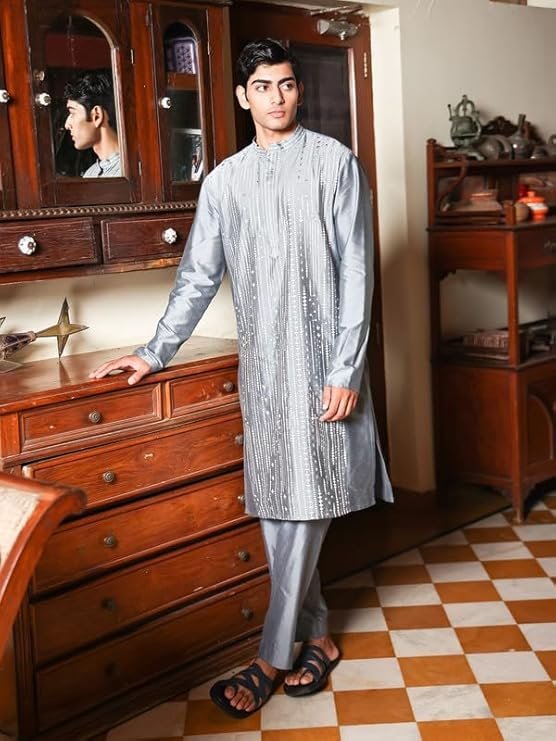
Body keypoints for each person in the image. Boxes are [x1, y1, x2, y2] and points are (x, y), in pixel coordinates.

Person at [89, 38, 393, 718]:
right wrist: (154, 352)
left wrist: (347, 368)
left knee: (307, 505)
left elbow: (357, 273)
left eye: (286, 83)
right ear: (241, 96)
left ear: (298, 90)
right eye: (263, 86)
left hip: (326, 368)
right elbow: (197, 277)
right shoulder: (223, 182)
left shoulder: (336, 164)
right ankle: (320, 638)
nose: (277, 97)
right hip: (264, 371)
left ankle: (269, 657)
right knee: (280, 505)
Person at [64, 70, 121, 177]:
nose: (67, 125)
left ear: (97, 116)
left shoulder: (127, 172)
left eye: (72, 113)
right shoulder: (90, 174)